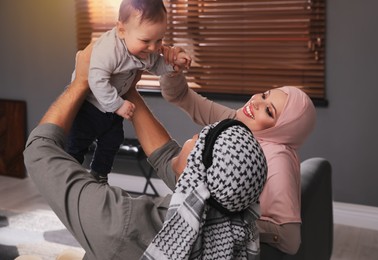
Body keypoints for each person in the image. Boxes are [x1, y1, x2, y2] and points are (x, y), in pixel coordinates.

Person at [23, 46, 267, 259]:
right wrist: (128, 90)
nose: (194, 136)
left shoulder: (123, 224)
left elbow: (39, 151)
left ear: (194, 173)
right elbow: (166, 157)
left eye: (200, 138)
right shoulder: (227, 211)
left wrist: (81, 82)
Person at [156, 51, 317, 255]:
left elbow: (290, 240)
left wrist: (224, 222)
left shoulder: (277, 161)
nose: (257, 102)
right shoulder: (239, 123)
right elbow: (180, 96)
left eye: (269, 111)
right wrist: (173, 72)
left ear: (283, 129)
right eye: (265, 94)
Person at [66, 0, 191, 183]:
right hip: (90, 105)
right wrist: (118, 105)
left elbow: (156, 65)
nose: (153, 48)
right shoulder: (109, 50)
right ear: (122, 30)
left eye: (159, 40)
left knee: (113, 140)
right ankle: (68, 173)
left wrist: (173, 65)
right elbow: (96, 80)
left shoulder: (145, 49)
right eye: (146, 41)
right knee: (77, 141)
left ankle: (99, 174)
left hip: (113, 105)